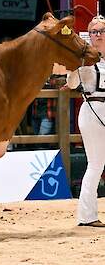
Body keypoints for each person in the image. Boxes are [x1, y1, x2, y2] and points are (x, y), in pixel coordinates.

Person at [66, 15, 105, 227]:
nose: (97, 35)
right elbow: (71, 83)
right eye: (93, 32)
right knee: (96, 164)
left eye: (101, 31)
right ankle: (87, 216)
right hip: (93, 110)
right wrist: (74, 70)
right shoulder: (84, 59)